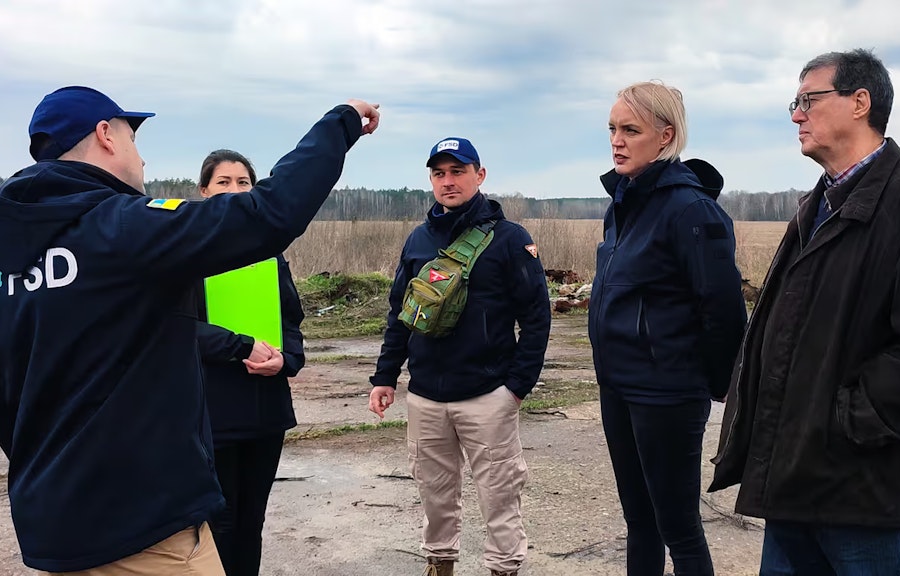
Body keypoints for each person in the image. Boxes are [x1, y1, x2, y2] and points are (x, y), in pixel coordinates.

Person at [0, 85, 379, 574]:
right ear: (105, 137)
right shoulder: (118, 228)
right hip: (143, 528)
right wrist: (341, 123)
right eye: (134, 140)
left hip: (55, 527)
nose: (142, 159)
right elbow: (267, 215)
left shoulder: (12, 254)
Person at [710, 49, 900, 575]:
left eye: (809, 100)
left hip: (864, 492)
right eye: (796, 102)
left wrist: (845, 423)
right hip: (797, 480)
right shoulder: (818, 206)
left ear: (860, 103)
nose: (796, 115)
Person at [367, 137, 551, 576]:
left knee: (500, 494)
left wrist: (517, 388)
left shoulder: (509, 239)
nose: (448, 182)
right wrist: (385, 377)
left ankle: (504, 568)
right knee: (434, 495)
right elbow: (400, 315)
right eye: (439, 173)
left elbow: (537, 317)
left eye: (457, 171)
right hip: (427, 397)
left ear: (479, 175)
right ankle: (439, 565)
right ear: (431, 180)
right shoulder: (418, 240)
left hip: (488, 396)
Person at [589, 81, 746, 576]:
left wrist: (714, 384)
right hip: (619, 387)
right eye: (613, 128)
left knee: (678, 526)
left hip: (667, 393)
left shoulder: (691, 209)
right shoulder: (623, 204)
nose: (617, 139)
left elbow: (722, 309)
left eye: (630, 130)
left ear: (665, 136)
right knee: (640, 522)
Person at [193, 149, 305, 576]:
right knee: (218, 523)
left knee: (251, 523)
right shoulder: (185, 253)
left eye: (243, 183)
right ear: (204, 191)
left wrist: (287, 359)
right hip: (211, 413)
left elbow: (290, 321)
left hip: (264, 409)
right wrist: (238, 345)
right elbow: (174, 329)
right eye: (223, 182)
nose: (235, 190)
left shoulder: (268, 253)